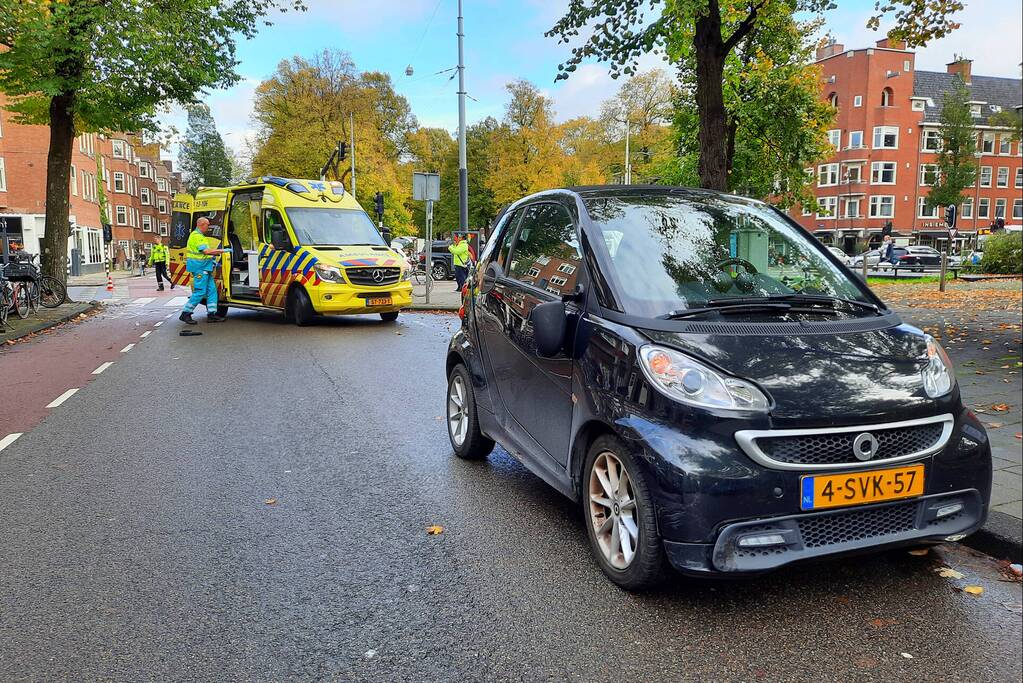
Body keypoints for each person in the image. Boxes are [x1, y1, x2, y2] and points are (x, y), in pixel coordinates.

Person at [179, 217, 227, 325]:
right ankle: (186, 313)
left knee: (212, 291)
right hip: (200, 268)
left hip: (205, 268)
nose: (208, 227)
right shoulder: (197, 237)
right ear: (201, 225)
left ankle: (212, 314)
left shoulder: (197, 236)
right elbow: (206, 251)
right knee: (200, 292)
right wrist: (221, 251)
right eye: (207, 225)